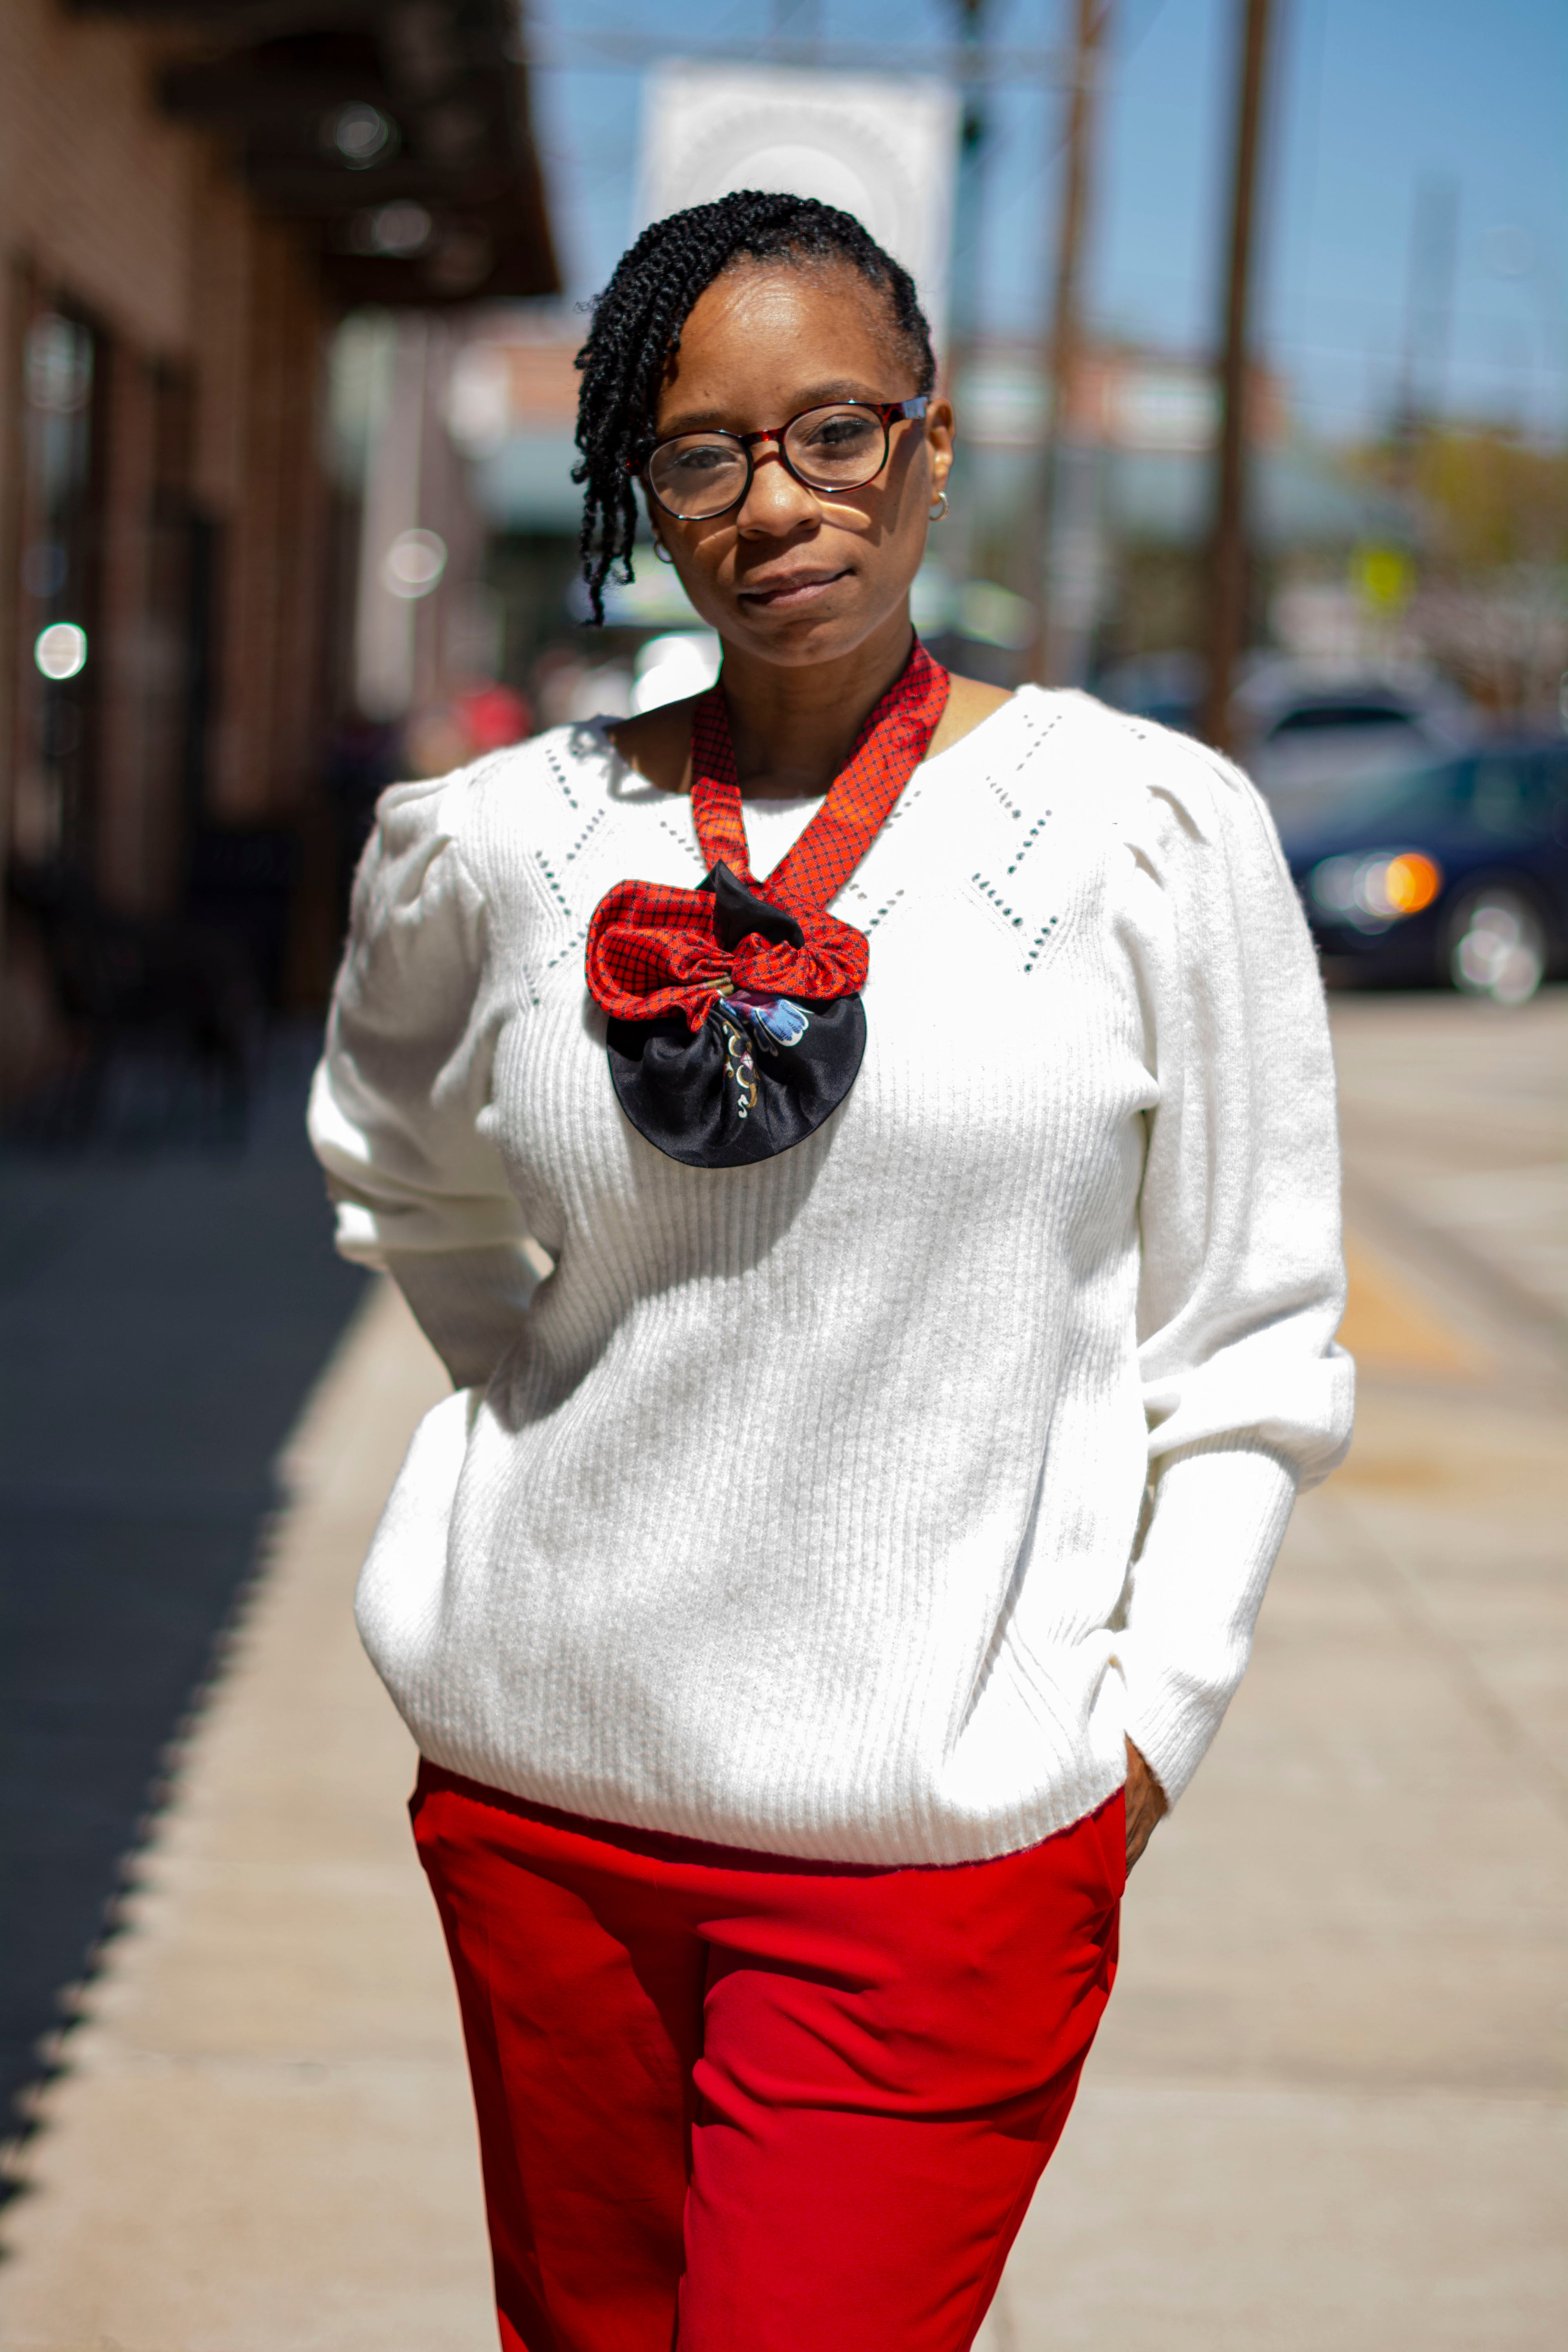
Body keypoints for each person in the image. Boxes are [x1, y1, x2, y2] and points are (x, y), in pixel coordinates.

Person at [309, 192, 1352, 2352]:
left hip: (944, 1858)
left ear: (933, 446)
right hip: (545, 1812)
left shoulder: (1153, 833)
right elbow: (391, 1156)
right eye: (702, 453)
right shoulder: (503, 842)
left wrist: (1142, 1732)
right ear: (640, 489)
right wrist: (526, 1391)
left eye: (835, 432)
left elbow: (1249, 1336)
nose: (775, 500)